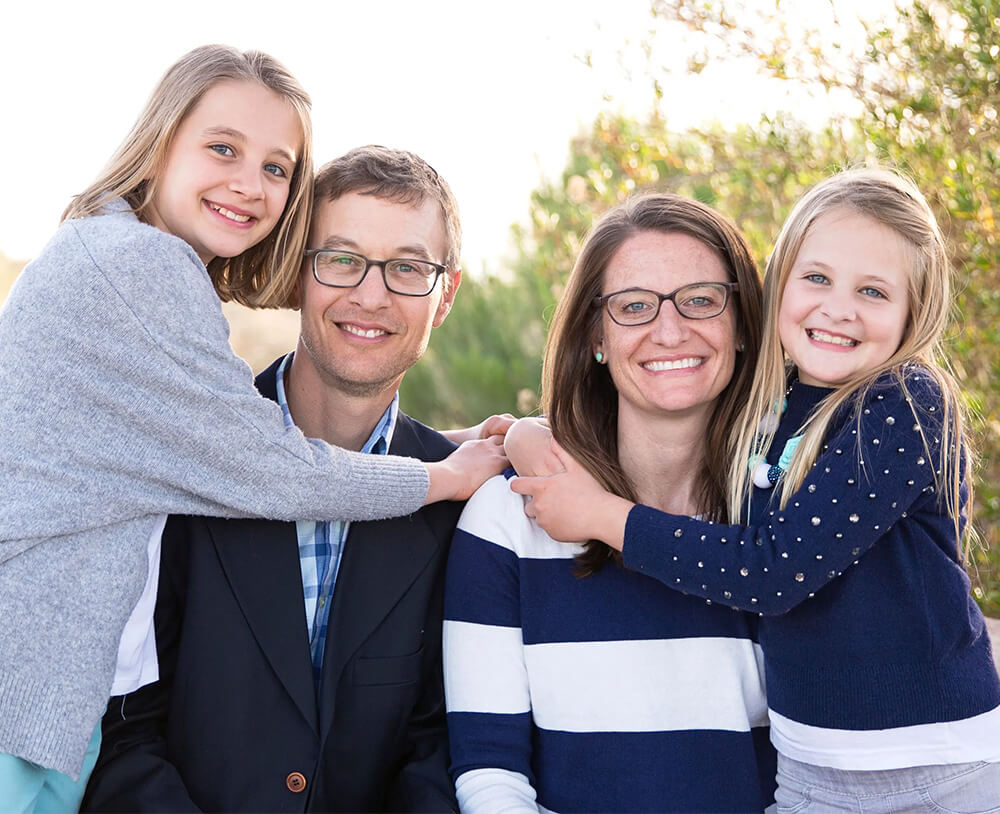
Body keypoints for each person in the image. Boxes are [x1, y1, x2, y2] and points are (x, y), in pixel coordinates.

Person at [0, 47, 505, 811]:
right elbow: (265, 466)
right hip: (28, 709)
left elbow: (447, 743)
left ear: (446, 294)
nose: (371, 294)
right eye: (340, 258)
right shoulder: (146, 289)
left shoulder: (478, 513)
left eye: (276, 167)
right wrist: (441, 479)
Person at [512, 168, 1000, 810]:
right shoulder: (771, 409)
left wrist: (605, 517)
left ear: (916, 309)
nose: (838, 308)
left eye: (874, 291)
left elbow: (772, 571)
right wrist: (522, 432)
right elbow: (660, 415)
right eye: (817, 278)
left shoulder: (903, 403)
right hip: (806, 767)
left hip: (935, 766)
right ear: (779, 287)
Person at [444, 193, 778, 813]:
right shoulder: (506, 517)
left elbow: (818, 761)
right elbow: (490, 771)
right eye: (634, 306)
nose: (670, 329)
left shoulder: (781, 523)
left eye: (701, 299)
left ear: (742, 327)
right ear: (596, 337)